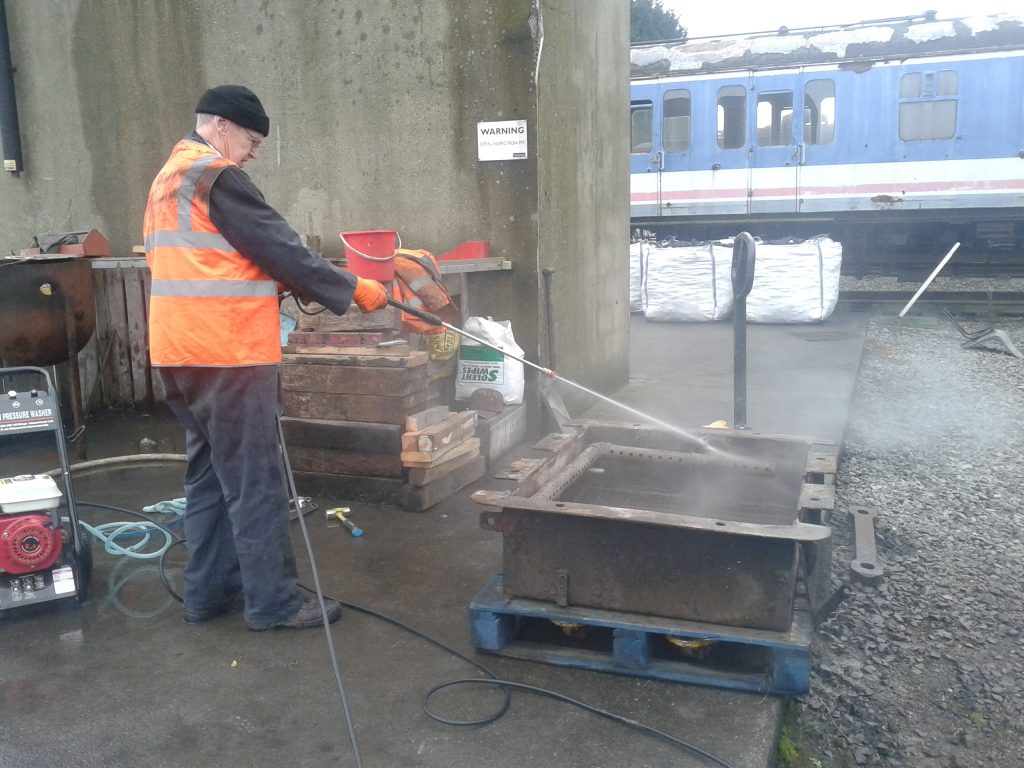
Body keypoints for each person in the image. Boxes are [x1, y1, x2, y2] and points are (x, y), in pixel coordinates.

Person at [142, 85, 388, 631]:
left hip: (178, 354)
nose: (253, 153)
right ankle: (273, 602)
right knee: (255, 481)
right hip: (228, 355)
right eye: (252, 141)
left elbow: (218, 257)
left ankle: (207, 594)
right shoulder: (217, 175)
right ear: (223, 126)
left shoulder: (170, 176)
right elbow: (281, 246)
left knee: (208, 477)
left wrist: (272, 280)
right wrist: (354, 290)